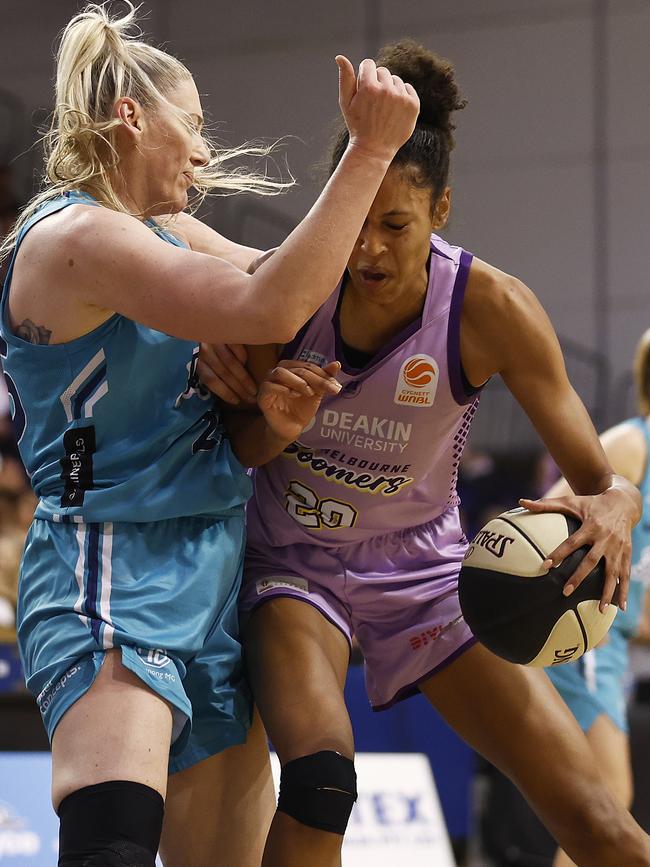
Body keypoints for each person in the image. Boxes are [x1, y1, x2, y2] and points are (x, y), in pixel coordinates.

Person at [200, 40, 650, 867]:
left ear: (441, 210)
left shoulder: (493, 308)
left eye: (395, 224)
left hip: (428, 569)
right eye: (356, 220)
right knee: (321, 781)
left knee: (601, 823)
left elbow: (600, 477)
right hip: (292, 564)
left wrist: (620, 501)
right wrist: (276, 424)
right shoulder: (290, 290)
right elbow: (241, 449)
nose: (367, 249)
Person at [0, 3, 420, 865]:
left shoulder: (167, 233)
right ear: (129, 118)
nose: (203, 150)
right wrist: (369, 152)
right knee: (113, 841)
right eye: (189, 126)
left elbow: (302, 297)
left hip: (212, 558)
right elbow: (268, 303)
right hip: (110, 563)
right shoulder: (74, 237)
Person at [544, 328, 650, 867]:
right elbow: (551, 515)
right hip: (582, 624)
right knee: (608, 799)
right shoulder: (632, 443)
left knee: (606, 806)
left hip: (613, 642)